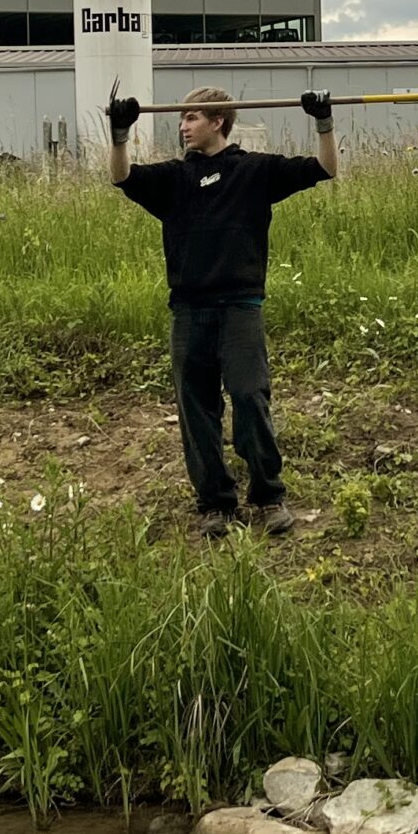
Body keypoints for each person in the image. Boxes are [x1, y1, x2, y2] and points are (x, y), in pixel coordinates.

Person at [106, 84, 336, 536]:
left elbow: (326, 167)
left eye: (192, 117)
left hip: (240, 308)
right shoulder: (173, 179)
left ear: (218, 121)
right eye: (182, 118)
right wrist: (119, 133)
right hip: (188, 311)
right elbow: (122, 177)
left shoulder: (254, 171)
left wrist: (323, 122)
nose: (183, 125)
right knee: (196, 409)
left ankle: (269, 496)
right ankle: (215, 504)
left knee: (250, 398)